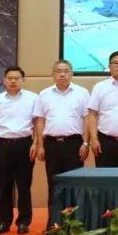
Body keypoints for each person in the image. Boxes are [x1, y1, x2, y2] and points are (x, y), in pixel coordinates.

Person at [0, 66, 38, 235]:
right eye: (10, 78)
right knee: (4, 186)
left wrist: (36, 144)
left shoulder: (33, 98)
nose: (13, 81)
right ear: (4, 81)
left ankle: (23, 221)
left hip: (24, 144)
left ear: (23, 80)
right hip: (3, 145)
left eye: (17, 78)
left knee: (24, 186)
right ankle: (3, 221)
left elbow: (37, 123)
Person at [33, 59, 90, 205]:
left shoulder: (82, 93)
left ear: (72, 74)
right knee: (54, 183)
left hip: (74, 144)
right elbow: (40, 121)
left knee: (74, 183)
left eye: (66, 71)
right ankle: (54, 218)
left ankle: (74, 218)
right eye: (59, 71)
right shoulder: (44, 94)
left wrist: (85, 143)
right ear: (53, 74)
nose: (62, 74)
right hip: (51, 144)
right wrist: (40, 146)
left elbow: (87, 119)